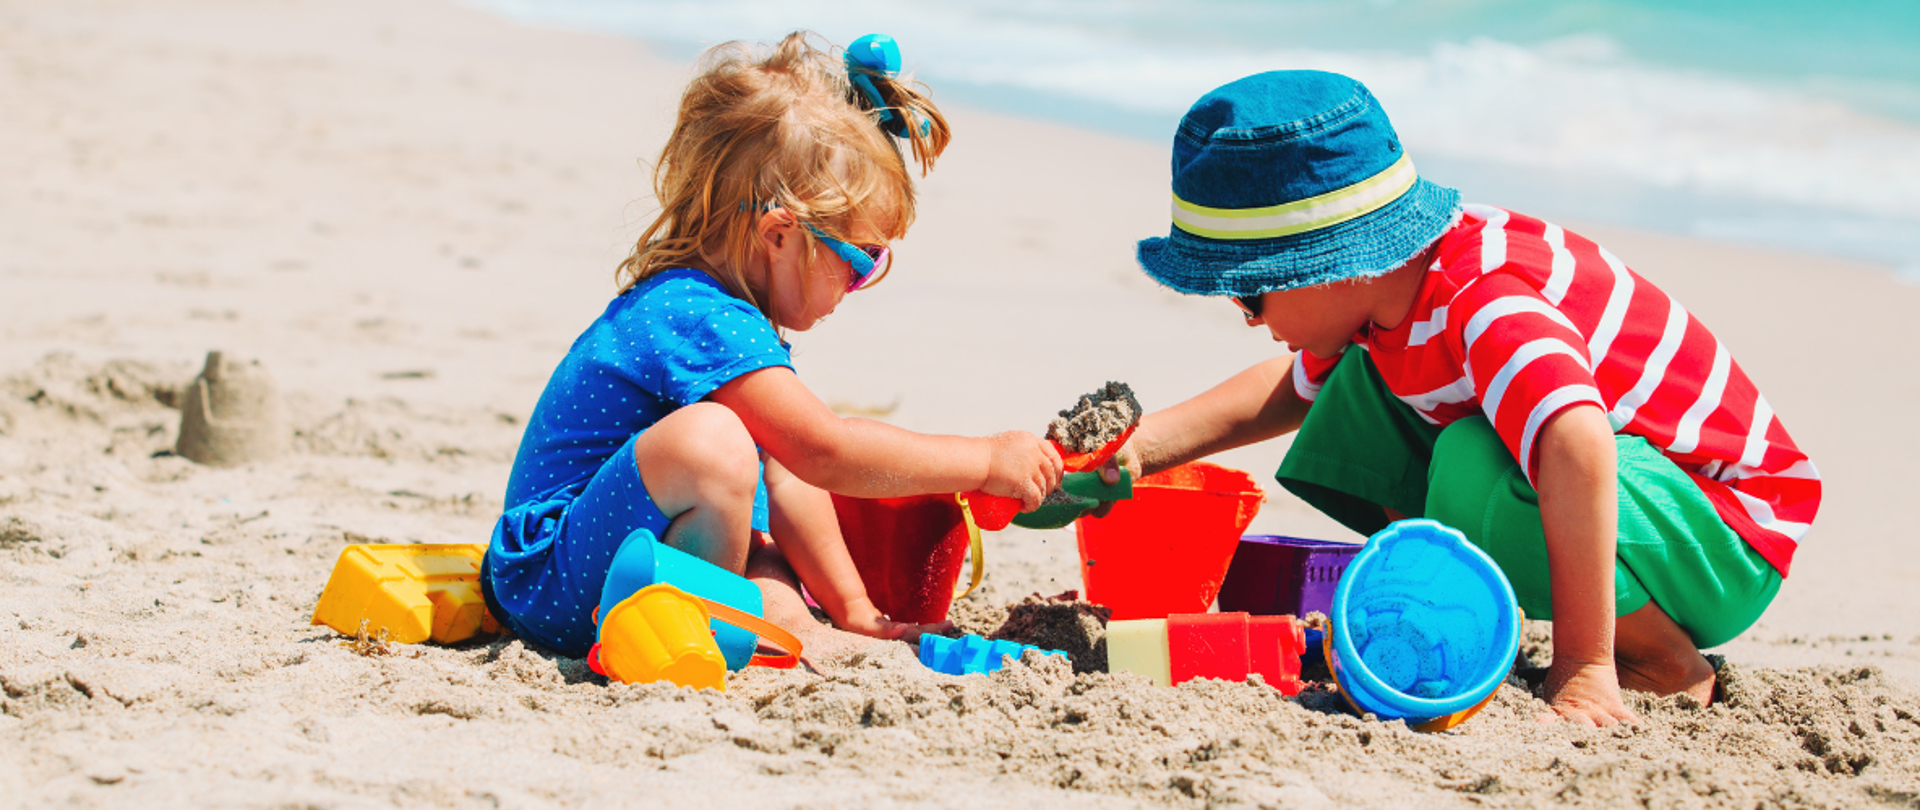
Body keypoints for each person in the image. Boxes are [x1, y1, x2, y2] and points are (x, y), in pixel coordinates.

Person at [1103, 70, 1820, 726]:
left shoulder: (1485, 299)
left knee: (1474, 456)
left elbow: (1578, 442)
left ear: (1330, 265)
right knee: (1355, 394)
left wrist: (1581, 667)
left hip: (1723, 534)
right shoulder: (1385, 299)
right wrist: (1136, 450)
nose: (1249, 317)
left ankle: (1657, 661)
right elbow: (1286, 393)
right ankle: (1442, 598)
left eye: (1251, 294)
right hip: (1633, 514)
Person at [483, 32, 1063, 659]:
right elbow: (825, 451)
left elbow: (791, 479)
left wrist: (857, 612)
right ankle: (689, 625)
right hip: (552, 582)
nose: (859, 284)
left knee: (774, 564)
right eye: (859, 261)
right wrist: (984, 459)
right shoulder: (693, 313)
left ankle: (808, 635)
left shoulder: (735, 320)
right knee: (715, 442)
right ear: (779, 235)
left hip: (624, 550)